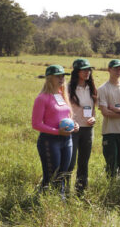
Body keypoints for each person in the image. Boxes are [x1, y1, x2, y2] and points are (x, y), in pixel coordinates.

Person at [32, 65, 78, 197]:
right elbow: (36, 124)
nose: (61, 78)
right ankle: (41, 202)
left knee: (63, 174)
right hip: (50, 141)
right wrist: (57, 132)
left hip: (67, 140)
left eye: (63, 76)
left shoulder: (62, 96)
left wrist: (74, 125)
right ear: (49, 78)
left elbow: (66, 116)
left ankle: (59, 201)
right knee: (51, 176)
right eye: (58, 76)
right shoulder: (42, 98)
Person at [67, 59, 97, 195]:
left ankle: (81, 192)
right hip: (73, 130)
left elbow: (93, 108)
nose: (87, 72)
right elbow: (65, 110)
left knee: (83, 163)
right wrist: (72, 122)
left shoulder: (91, 88)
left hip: (88, 130)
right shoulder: (68, 89)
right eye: (84, 70)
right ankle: (65, 192)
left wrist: (93, 118)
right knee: (70, 163)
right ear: (77, 72)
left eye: (88, 70)